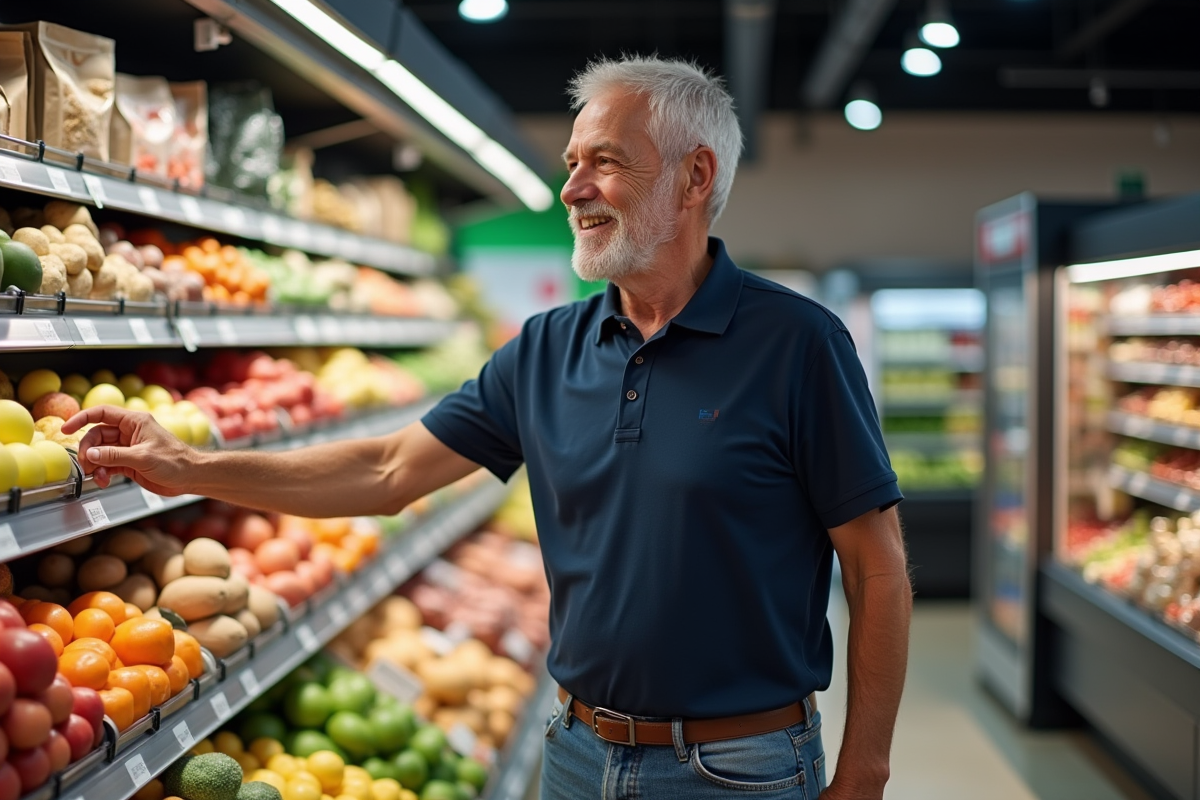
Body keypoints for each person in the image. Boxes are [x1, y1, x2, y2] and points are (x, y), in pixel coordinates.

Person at [63, 56, 911, 800]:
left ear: (696, 178)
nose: (573, 190)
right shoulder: (547, 348)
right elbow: (389, 469)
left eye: (605, 163)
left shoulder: (798, 345)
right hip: (578, 756)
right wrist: (190, 464)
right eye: (573, 163)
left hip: (739, 770)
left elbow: (876, 569)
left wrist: (863, 775)